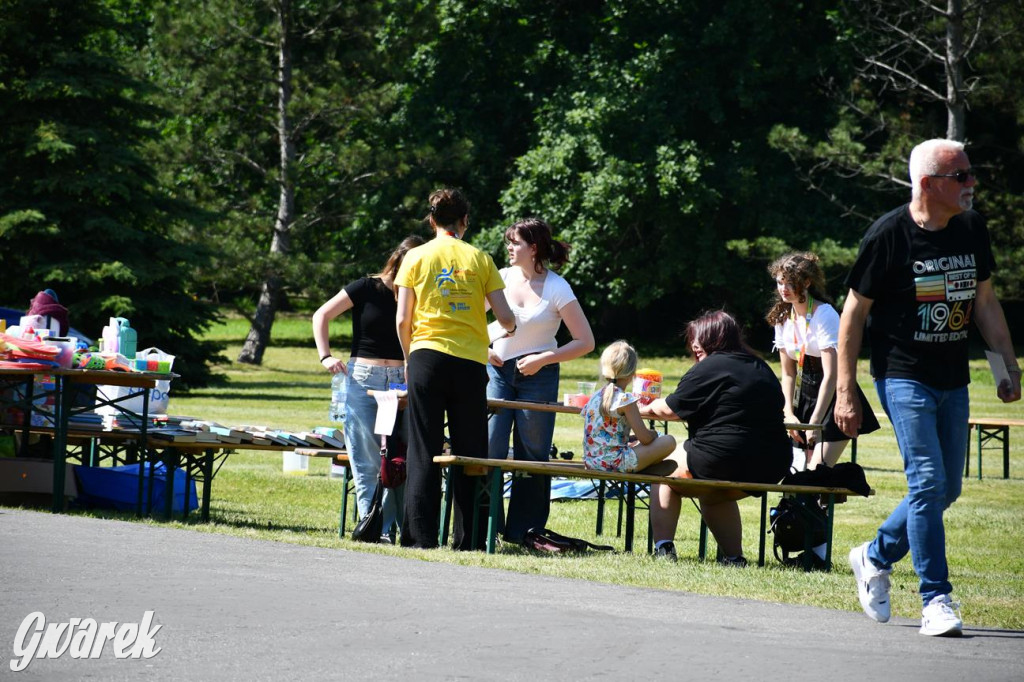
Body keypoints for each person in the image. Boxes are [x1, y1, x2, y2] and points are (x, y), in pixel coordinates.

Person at [835, 139, 1021, 637]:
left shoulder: (971, 228)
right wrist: (845, 390)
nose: (971, 184)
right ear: (928, 183)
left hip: (952, 376)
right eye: (960, 176)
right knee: (926, 481)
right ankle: (935, 598)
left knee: (948, 487)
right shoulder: (888, 235)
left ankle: (873, 555)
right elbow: (853, 314)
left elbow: (984, 301)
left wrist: (1007, 364)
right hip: (902, 374)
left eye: (970, 173)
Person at [395, 188, 516, 550]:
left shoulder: (415, 257)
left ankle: (420, 536)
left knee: (423, 448)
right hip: (469, 363)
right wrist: (504, 328)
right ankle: (471, 538)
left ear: (431, 220)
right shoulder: (479, 259)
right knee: (470, 452)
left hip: (426, 358)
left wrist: (408, 358)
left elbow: (403, 319)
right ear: (465, 221)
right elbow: (507, 317)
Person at [641, 311, 792, 564]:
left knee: (663, 471)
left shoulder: (710, 366)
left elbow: (670, 409)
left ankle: (663, 549)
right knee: (714, 494)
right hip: (773, 462)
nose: (693, 346)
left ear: (712, 338)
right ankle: (734, 558)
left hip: (723, 456)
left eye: (697, 339)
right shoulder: (759, 365)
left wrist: (639, 409)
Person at [486, 217, 595, 542]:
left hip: (540, 375)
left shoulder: (558, 288)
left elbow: (585, 341)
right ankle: (487, 525)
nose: (508, 247)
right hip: (497, 370)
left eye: (514, 242)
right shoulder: (500, 278)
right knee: (489, 447)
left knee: (531, 453)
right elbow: (470, 321)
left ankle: (525, 531)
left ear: (533, 248)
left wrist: (543, 359)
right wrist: (483, 348)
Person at [312, 235, 424, 542]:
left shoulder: (417, 294)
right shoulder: (366, 287)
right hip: (365, 378)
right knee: (367, 458)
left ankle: (401, 527)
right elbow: (321, 314)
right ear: (398, 261)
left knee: (401, 456)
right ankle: (374, 526)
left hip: (402, 379)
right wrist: (326, 357)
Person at [766, 252, 879, 471]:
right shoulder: (781, 317)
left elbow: (832, 374)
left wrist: (815, 423)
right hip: (803, 396)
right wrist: (788, 413)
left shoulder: (824, 314)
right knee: (795, 475)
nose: (784, 289)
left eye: (791, 283)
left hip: (832, 399)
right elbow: (788, 374)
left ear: (807, 282)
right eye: (780, 282)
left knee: (816, 474)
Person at [581, 340, 677, 474]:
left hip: (592, 462)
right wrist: (654, 434)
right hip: (616, 463)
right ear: (633, 373)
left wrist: (630, 439)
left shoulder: (595, 396)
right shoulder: (625, 400)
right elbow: (645, 438)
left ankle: (644, 468)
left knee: (637, 443)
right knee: (668, 441)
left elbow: (603, 433)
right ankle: (643, 469)